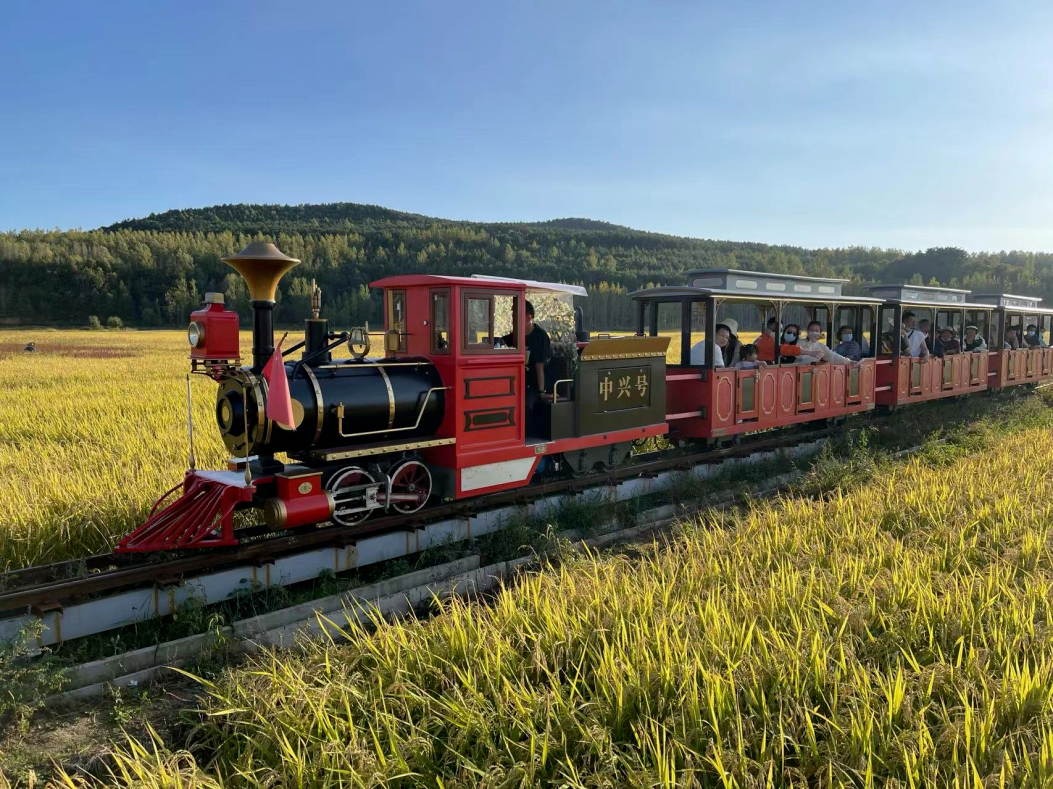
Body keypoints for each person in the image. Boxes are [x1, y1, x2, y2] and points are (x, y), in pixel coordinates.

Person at [501, 300, 551, 418]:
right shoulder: (515, 335)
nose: (513, 319)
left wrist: (542, 392)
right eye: (513, 315)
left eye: (516, 315)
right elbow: (501, 343)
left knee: (525, 405)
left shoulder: (540, 336)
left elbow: (540, 366)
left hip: (534, 385)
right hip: (516, 382)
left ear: (529, 317)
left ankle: (526, 434)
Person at [795, 320, 859, 366]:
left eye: (816, 331)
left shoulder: (821, 346)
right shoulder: (801, 342)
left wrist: (848, 362)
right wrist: (812, 342)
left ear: (820, 332)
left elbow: (832, 356)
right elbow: (801, 357)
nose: (814, 333)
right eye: (811, 330)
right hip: (799, 372)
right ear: (808, 331)